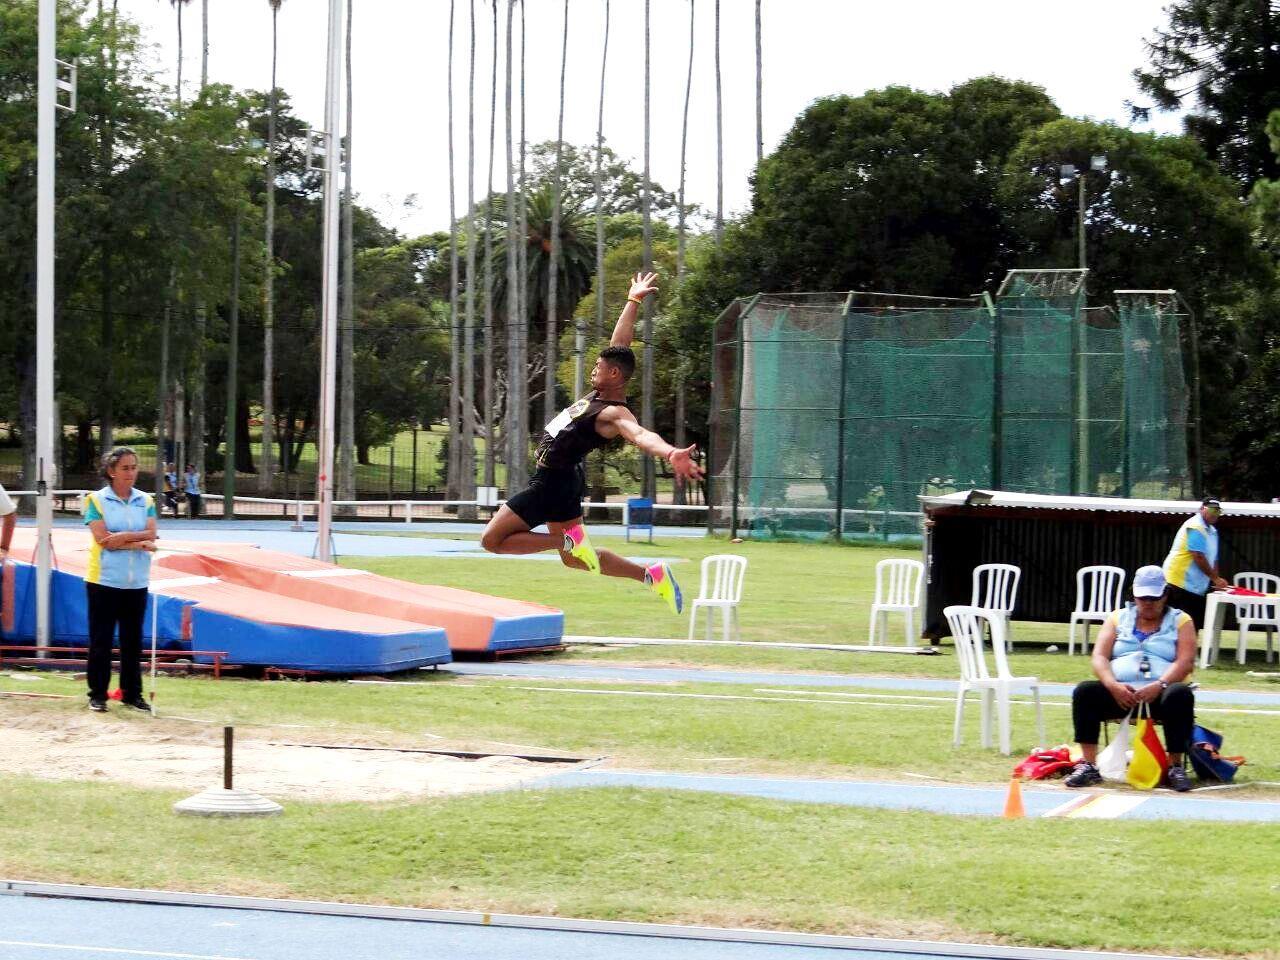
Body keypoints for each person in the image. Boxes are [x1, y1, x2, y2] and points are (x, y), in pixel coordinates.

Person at [480, 271, 705, 613]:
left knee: (492, 541)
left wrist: (671, 452)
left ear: (613, 374)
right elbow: (620, 346)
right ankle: (651, 574)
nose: (593, 371)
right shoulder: (602, 392)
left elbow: (641, 435)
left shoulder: (613, 413)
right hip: (566, 481)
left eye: (598, 367)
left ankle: (565, 539)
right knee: (574, 560)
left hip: (551, 484)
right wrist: (633, 301)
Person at [1063, 564, 1197, 792]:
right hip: (1121, 694)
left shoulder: (1181, 621)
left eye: (1154, 597)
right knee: (1085, 691)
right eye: (1142, 597)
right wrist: (1112, 685)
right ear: (1134, 594)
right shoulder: (1117, 618)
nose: (1148, 603)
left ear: (1165, 595)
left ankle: (1175, 767)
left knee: (1180, 694)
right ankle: (1088, 766)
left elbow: (1185, 662)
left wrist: (1160, 684)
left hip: (1159, 695)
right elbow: (1099, 657)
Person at [83, 447, 158, 713]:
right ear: (111, 471)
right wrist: (137, 542)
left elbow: (152, 533)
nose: (131, 473)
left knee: (132, 641)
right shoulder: (95, 500)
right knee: (101, 640)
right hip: (103, 581)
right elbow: (103, 540)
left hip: (136, 582)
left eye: (134, 467)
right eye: (125, 468)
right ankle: (98, 694)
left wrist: (122, 538)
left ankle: (131, 693)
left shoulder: (146, 500)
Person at [1162, 496, 1227, 629]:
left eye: (1218, 511)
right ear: (1202, 509)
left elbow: (1213, 559)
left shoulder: (1213, 532)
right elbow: (1198, 556)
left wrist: (1217, 581)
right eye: (1212, 510)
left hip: (1195, 587)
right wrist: (1215, 578)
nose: (1215, 514)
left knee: (1191, 625)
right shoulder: (1195, 526)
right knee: (1176, 625)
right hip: (1178, 583)